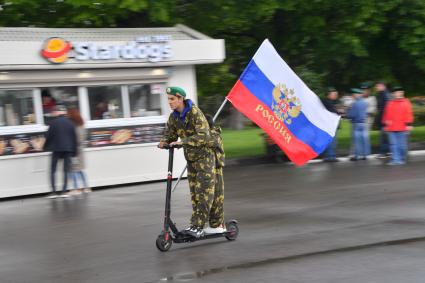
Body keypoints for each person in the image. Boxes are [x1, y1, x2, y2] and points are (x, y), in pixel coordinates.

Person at [158, 86, 215, 238]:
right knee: (195, 195)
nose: (169, 102)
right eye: (168, 99)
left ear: (180, 99)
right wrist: (164, 141)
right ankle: (195, 225)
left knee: (203, 194)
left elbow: (204, 136)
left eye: (172, 99)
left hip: (205, 158)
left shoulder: (195, 113)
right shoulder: (174, 117)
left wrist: (183, 142)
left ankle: (198, 226)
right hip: (191, 160)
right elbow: (170, 134)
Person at [43, 105, 77, 199]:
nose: (53, 113)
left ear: (57, 112)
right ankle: (64, 191)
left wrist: (45, 147)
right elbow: (74, 138)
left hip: (56, 149)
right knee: (66, 170)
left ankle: (53, 192)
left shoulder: (53, 123)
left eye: (54, 111)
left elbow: (48, 136)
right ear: (64, 113)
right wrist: (74, 152)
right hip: (68, 149)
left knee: (53, 170)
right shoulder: (71, 123)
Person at [204, 114, 226, 234]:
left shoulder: (214, 135)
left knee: (217, 196)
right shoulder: (208, 134)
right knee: (210, 196)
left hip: (216, 169)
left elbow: (206, 142)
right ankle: (214, 223)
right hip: (209, 169)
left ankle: (218, 225)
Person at [382, 86, 414, 165]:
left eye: (400, 92)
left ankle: (401, 158)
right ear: (393, 94)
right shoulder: (390, 103)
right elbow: (386, 115)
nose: (399, 94)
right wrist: (385, 124)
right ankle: (396, 160)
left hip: (402, 127)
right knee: (393, 145)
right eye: (397, 92)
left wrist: (409, 124)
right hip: (392, 128)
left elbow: (409, 114)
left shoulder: (406, 102)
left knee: (402, 145)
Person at [67, 107, 91, 194]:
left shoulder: (74, 127)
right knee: (80, 170)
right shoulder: (82, 125)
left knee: (73, 170)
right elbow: (82, 138)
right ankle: (86, 187)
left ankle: (76, 189)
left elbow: (75, 139)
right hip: (80, 150)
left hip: (74, 150)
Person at [347, 88, 370, 161]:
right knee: (364, 139)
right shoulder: (365, 103)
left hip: (356, 123)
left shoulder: (354, 104)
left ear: (356, 94)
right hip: (363, 123)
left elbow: (351, 115)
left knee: (356, 140)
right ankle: (365, 155)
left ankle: (356, 156)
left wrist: (348, 110)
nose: (352, 96)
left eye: (353, 95)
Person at [321, 87, 340, 162]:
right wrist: (338, 111)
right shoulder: (328, 102)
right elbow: (334, 113)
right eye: (334, 94)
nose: (336, 95)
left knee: (330, 141)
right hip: (331, 125)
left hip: (330, 125)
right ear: (329, 94)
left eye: (336, 94)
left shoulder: (328, 102)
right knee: (332, 141)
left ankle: (329, 156)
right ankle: (331, 156)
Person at [374, 81, 391, 158]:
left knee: (383, 136)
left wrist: (385, 120)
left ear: (383, 86)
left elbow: (386, 109)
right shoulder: (382, 94)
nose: (376, 88)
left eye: (378, 86)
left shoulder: (385, 95)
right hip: (383, 119)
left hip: (385, 119)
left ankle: (383, 153)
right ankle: (387, 152)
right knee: (385, 136)